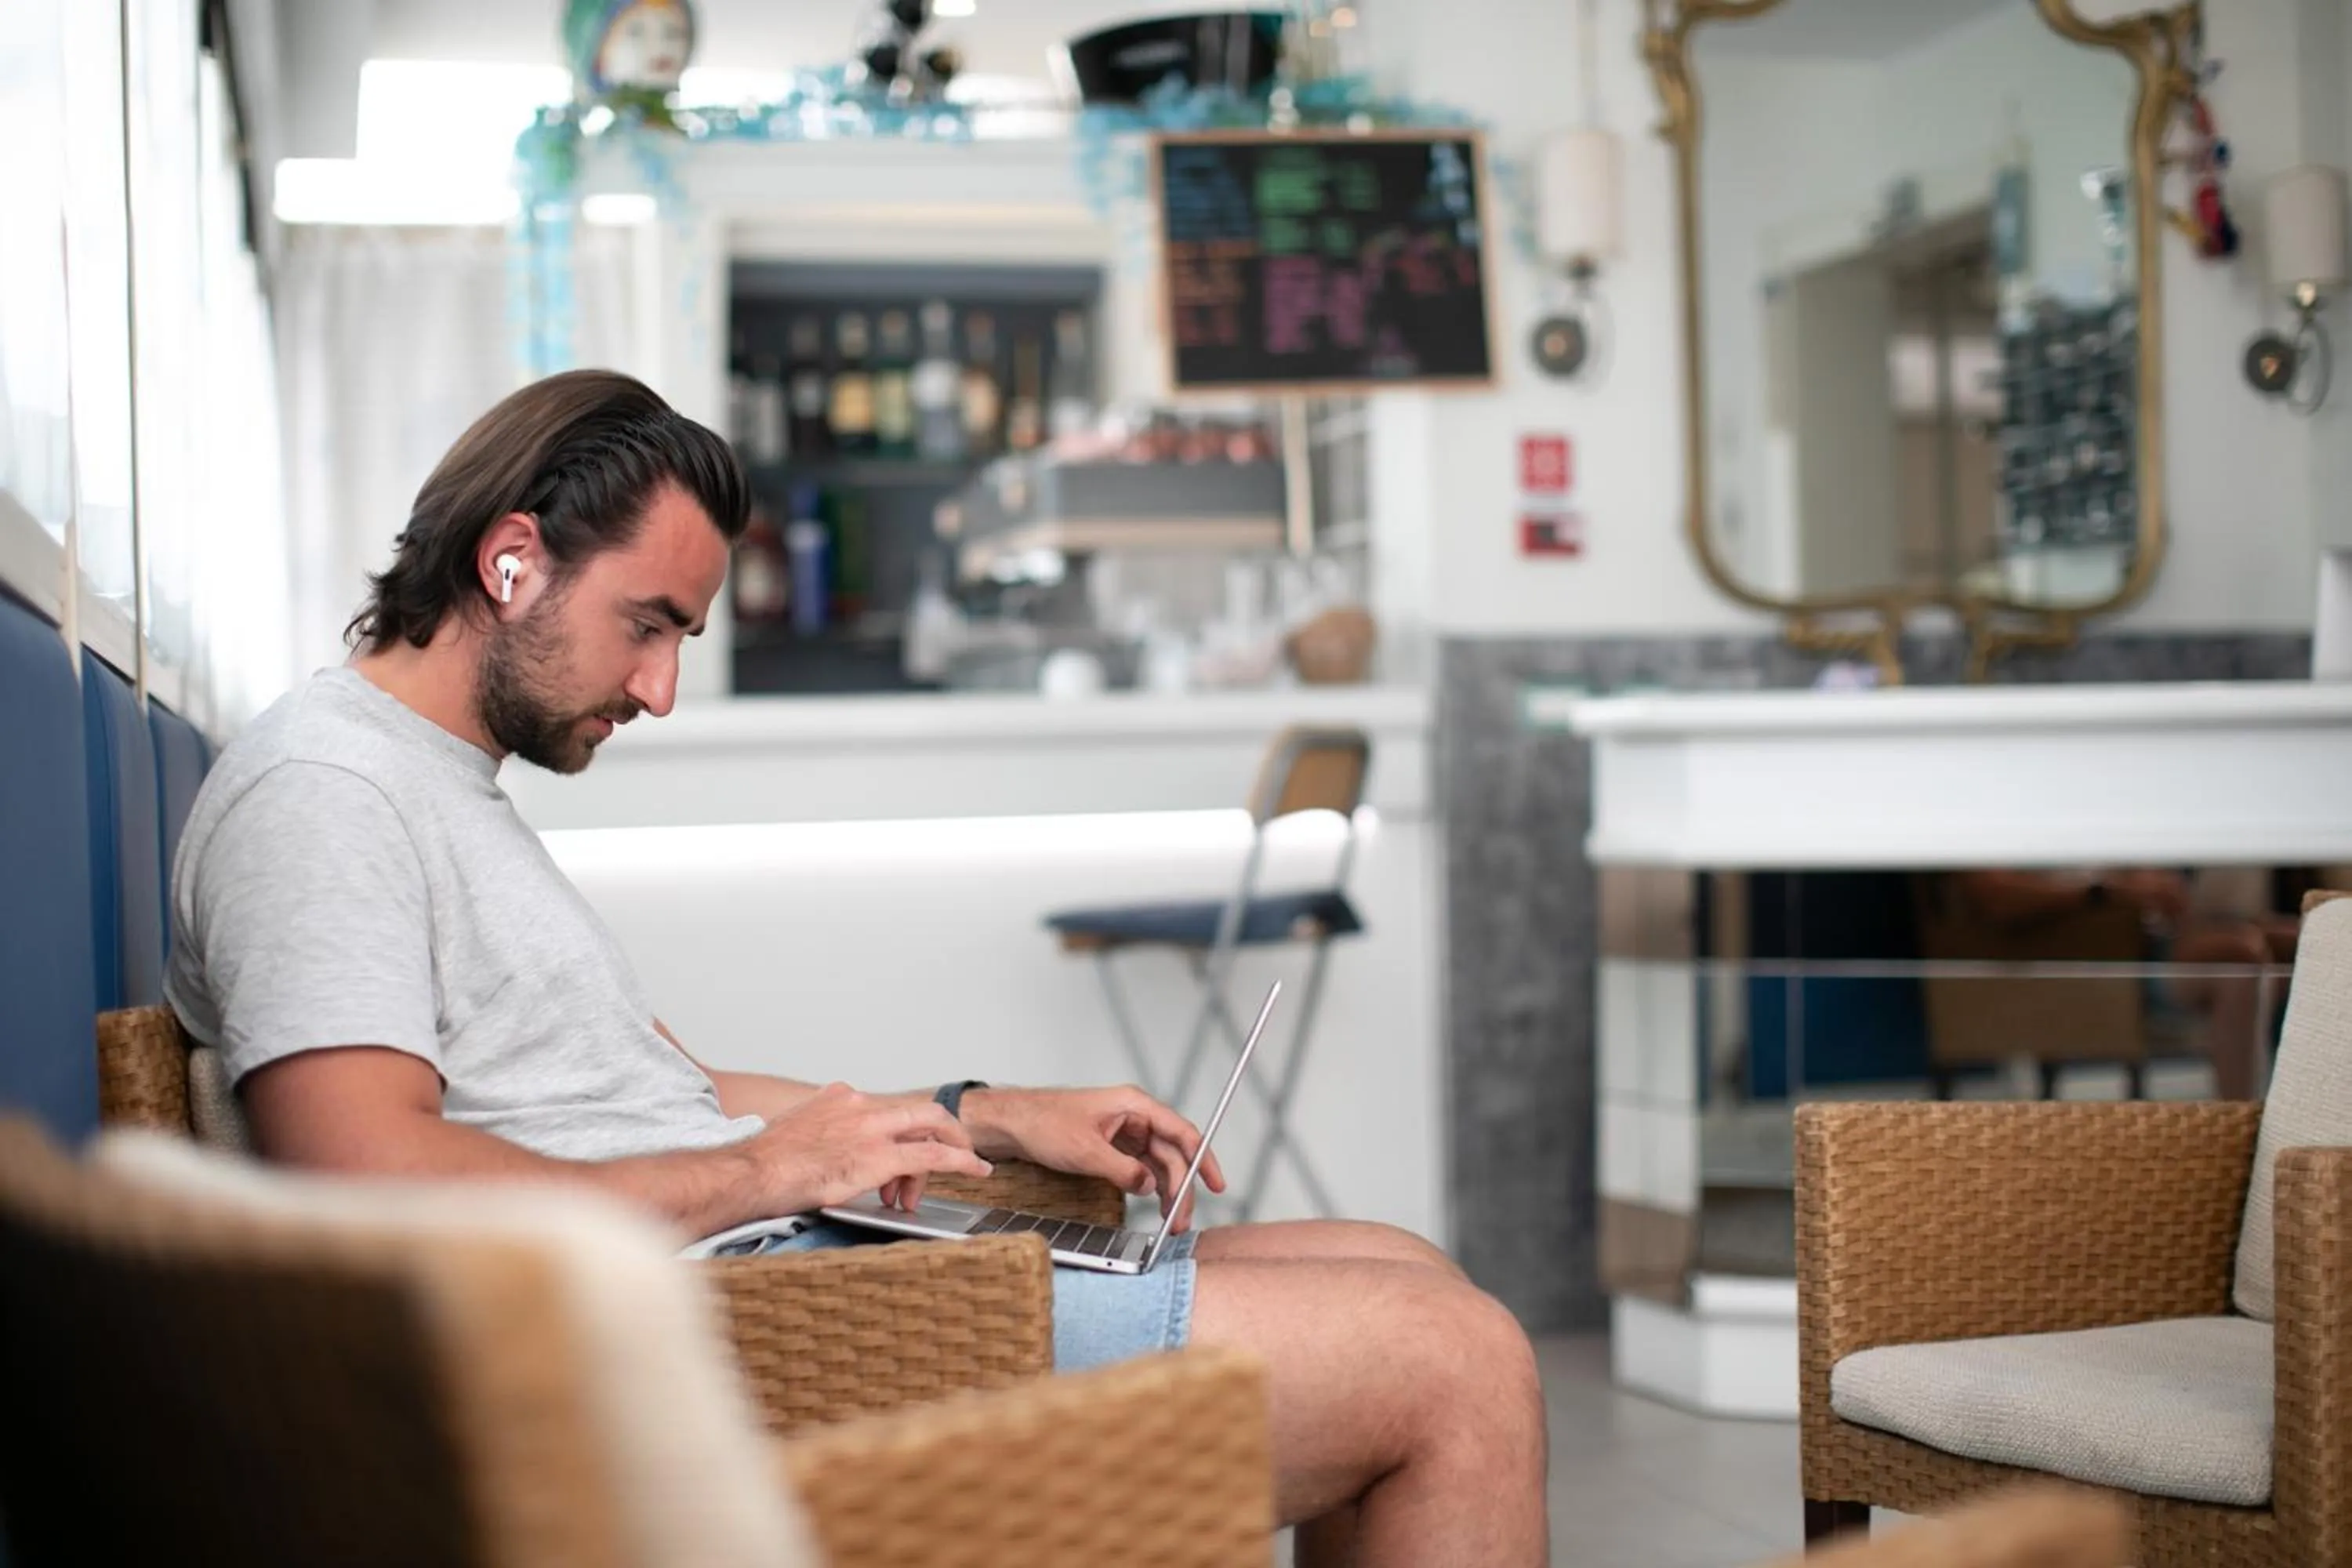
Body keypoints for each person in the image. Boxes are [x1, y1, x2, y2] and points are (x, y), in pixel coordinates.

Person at [165, 371, 1547, 1566]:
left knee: (1405, 1267)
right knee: (1459, 1364)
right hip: (728, 1345)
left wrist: (978, 1113)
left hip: (771, 1287)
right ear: (512, 561)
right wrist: (770, 1174)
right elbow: (365, 1180)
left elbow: (672, 1095)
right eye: (648, 624)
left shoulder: (432, 789)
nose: (659, 691)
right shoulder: (324, 796)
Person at [1945, 868, 2294, 1100]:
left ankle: (2263, 1120)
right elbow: (1996, 898)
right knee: (2239, 956)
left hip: (2144, 940)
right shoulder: (1989, 828)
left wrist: (2145, 883)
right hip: (2093, 966)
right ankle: (2246, 1124)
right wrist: (2107, 892)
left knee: (2283, 944)